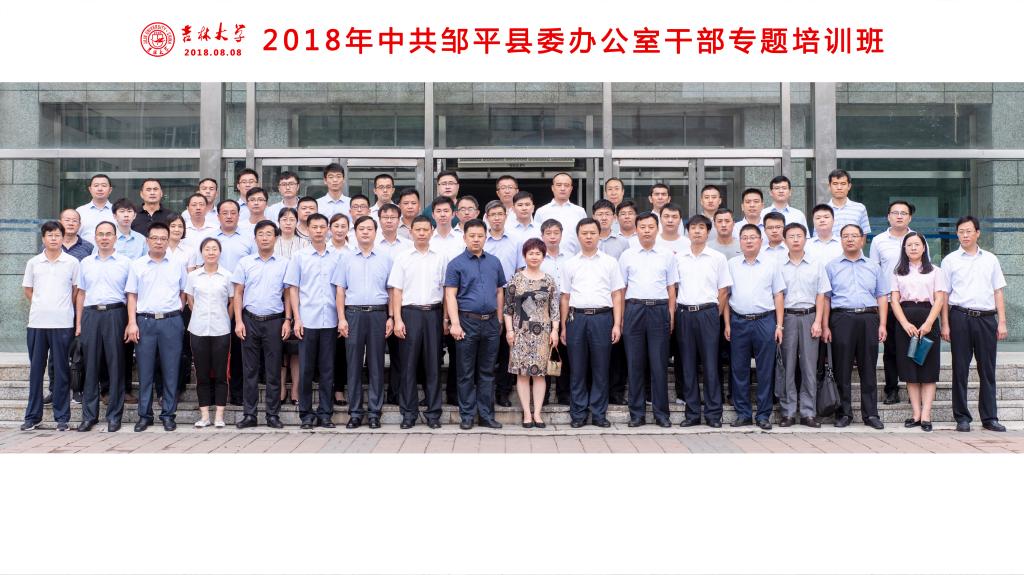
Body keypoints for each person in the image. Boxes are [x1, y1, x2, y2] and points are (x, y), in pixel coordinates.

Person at [941, 216, 1008, 432]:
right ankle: (962, 417)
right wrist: (945, 324)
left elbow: (998, 291)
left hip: (987, 319)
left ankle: (990, 417)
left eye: (969, 231)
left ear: (977, 233)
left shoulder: (990, 259)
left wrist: (1002, 322)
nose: (965, 235)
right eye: (961, 231)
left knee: (987, 369)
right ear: (957, 234)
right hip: (960, 317)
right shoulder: (950, 260)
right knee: (960, 369)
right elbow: (944, 295)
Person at [560, 218, 625, 428]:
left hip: (602, 318)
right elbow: (565, 297)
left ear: (599, 235)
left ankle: (598, 414)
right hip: (576, 319)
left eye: (592, 233)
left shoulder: (610, 262)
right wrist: (564, 326)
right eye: (584, 233)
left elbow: (617, 294)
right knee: (577, 369)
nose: (588, 237)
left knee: (601, 368)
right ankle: (578, 414)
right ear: (578, 236)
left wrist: (617, 324)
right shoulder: (570, 264)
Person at [823, 224, 887, 430]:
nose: (850, 239)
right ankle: (844, 413)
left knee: (868, 368)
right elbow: (826, 299)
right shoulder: (831, 267)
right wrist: (825, 325)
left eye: (854, 236)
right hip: (842, 319)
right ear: (841, 240)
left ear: (862, 239)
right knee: (842, 368)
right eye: (845, 236)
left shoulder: (873, 267)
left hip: (868, 318)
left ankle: (871, 414)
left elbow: (881, 296)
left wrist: (882, 324)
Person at [444, 219, 506, 430]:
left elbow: (499, 291)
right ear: (464, 237)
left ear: (485, 238)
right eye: (472, 236)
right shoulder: (456, 264)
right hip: (466, 322)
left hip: (491, 323)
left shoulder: (494, 262)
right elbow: (450, 296)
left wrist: (499, 318)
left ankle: (486, 415)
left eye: (480, 236)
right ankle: (467, 416)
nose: (476, 239)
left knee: (487, 371)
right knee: (466, 372)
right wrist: (454, 323)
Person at [125, 222, 187, 432]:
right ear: (147, 240)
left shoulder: (177, 264)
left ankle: (168, 414)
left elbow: (183, 292)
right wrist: (132, 322)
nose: (159, 242)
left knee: (171, 369)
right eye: (155, 238)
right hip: (145, 322)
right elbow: (132, 295)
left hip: (171, 321)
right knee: (145, 371)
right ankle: (145, 415)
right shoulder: (138, 265)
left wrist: (176, 310)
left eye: (163, 238)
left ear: (168, 241)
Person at [619, 212, 678, 428]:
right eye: (642, 227)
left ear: (657, 229)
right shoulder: (627, 255)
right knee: (635, 364)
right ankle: (637, 414)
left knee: (659, 364)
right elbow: (621, 289)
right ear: (636, 230)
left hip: (659, 310)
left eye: (650, 227)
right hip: (633, 309)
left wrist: (671, 315)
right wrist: (622, 317)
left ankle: (661, 414)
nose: (646, 231)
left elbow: (671, 288)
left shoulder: (667, 255)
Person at [335, 215, 393, 429]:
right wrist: (341, 318)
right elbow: (340, 290)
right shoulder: (346, 258)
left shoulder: (386, 258)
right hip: (353, 314)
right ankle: (356, 412)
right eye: (361, 229)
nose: (366, 232)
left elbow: (391, 290)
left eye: (370, 229)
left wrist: (391, 317)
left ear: (375, 232)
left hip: (378, 314)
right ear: (355, 232)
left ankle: (375, 412)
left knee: (377, 364)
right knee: (354, 365)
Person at [725, 224, 785, 430]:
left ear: (761, 241)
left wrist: (779, 325)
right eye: (744, 237)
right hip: (739, 321)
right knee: (739, 369)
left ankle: (763, 415)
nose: (749, 241)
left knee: (765, 369)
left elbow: (778, 295)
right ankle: (743, 413)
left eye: (753, 237)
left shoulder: (771, 264)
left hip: (764, 321)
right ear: (740, 241)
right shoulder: (732, 264)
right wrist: (727, 324)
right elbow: (726, 296)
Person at [21, 221, 79, 432]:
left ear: (63, 238)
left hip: (63, 324)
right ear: (43, 238)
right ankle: (32, 417)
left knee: (62, 371)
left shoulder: (72, 262)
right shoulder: (34, 262)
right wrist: (42, 304)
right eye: (50, 235)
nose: (54, 238)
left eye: (57, 235)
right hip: (37, 324)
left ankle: (62, 417)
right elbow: (28, 290)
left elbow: (76, 290)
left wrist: (60, 307)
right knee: (36, 371)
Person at [389, 215, 447, 429]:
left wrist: (446, 319)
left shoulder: (440, 257)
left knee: (433, 366)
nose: (422, 233)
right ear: (411, 232)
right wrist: (397, 319)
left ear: (432, 231)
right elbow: (396, 290)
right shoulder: (403, 258)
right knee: (408, 366)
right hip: (410, 314)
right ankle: (408, 414)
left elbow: (446, 290)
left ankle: (433, 414)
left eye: (425, 229)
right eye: (418, 230)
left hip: (433, 314)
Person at [675, 214, 732, 428]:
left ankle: (713, 414)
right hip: (684, 313)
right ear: (687, 232)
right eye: (693, 228)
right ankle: (692, 414)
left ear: (708, 232)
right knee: (687, 365)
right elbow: (673, 288)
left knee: (711, 364)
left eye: (701, 227)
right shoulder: (678, 258)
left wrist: (713, 314)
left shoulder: (717, 258)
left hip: (708, 312)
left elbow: (724, 290)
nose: (697, 231)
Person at [285, 213, 341, 430]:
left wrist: (341, 319)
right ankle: (306, 414)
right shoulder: (299, 256)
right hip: (307, 320)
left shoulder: (337, 256)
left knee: (327, 370)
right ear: (307, 230)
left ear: (328, 229)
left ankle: (325, 414)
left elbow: (341, 289)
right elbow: (293, 288)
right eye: (314, 227)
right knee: (306, 370)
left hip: (330, 321)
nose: (318, 231)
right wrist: (296, 319)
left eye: (322, 227)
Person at [233, 221, 290, 429]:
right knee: (250, 371)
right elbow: (238, 293)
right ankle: (250, 414)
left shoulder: (284, 263)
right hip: (249, 320)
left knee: (273, 371)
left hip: (274, 321)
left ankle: (272, 415)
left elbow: (288, 294)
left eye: (269, 234)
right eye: (261, 234)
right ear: (255, 238)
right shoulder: (245, 262)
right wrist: (238, 321)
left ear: (276, 237)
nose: (265, 238)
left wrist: (288, 320)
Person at [74, 221, 131, 432]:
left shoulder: (126, 263)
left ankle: (114, 416)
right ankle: (89, 416)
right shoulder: (86, 263)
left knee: (116, 366)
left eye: (108, 234)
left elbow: (130, 295)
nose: (104, 238)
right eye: (100, 234)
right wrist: (79, 323)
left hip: (116, 314)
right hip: (91, 315)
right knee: (90, 366)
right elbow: (81, 294)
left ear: (115, 238)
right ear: (95, 237)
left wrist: (131, 322)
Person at [890, 232, 947, 433]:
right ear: (904, 249)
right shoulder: (898, 271)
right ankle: (915, 414)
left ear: (924, 248)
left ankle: (926, 415)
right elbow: (894, 300)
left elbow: (939, 299)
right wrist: (904, 323)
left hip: (927, 318)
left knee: (928, 369)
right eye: (909, 245)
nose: (913, 248)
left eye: (917, 244)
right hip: (905, 321)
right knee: (909, 370)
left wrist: (929, 322)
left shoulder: (935, 271)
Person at [503, 238, 560, 428]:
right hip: (520, 332)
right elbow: (508, 309)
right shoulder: (516, 279)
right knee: (522, 374)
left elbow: (554, 309)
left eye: (538, 253)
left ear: (543, 256)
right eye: (531, 253)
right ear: (524, 255)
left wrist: (555, 331)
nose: (534, 257)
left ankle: (538, 414)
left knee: (540, 374)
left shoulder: (549, 280)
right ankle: (527, 414)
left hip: (543, 333)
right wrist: (509, 331)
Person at [779, 223, 830, 428]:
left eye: (799, 236)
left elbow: (821, 295)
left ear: (805, 239)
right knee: (788, 366)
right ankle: (788, 412)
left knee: (809, 367)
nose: (795, 239)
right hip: (788, 318)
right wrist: (779, 325)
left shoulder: (816, 264)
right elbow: (777, 296)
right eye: (791, 236)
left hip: (810, 317)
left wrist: (818, 322)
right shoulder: (778, 265)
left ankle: (809, 412)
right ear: (784, 240)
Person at [870, 200, 915, 405]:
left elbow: (925, 268)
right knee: (891, 349)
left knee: (912, 346)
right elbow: (874, 271)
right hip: (887, 302)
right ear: (888, 217)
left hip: (911, 302)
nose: (899, 216)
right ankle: (891, 389)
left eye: (903, 213)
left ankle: (914, 387)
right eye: (895, 213)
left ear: (909, 218)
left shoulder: (917, 238)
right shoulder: (879, 241)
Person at [186, 238, 233, 429]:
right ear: (202, 252)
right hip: (198, 329)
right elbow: (190, 299)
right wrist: (199, 314)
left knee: (221, 374)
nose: (211, 252)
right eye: (207, 249)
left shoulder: (227, 276)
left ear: (220, 252)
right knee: (202, 374)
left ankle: (219, 416)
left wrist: (225, 318)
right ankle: (204, 416)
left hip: (221, 330)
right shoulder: (193, 276)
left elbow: (232, 301)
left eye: (214, 249)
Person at [483, 200, 520, 408]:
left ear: (506, 216)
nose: (496, 218)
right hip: (485, 295)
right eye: (493, 214)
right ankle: (485, 391)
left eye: (500, 214)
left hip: (510, 294)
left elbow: (520, 270)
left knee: (507, 346)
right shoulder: (481, 240)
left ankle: (503, 391)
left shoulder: (515, 241)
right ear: (486, 217)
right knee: (488, 346)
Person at [273, 207, 307, 405]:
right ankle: (280, 387)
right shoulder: (271, 241)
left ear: (297, 222)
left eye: (291, 219)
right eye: (284, 219)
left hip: (299, 300)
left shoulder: (304, 243)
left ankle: (295, 388)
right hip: (274, 300)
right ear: (278, 222)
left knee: (295, 348)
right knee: (278, 347)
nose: (287, 222)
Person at [540, 218, 571, 406]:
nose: (552, 237)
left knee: (564, 350)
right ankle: (542, 395)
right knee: (544, 351)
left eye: (556, 233)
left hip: (566, 307)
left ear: (561, 235)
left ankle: (563, 393)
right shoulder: (537, 257)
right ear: (542, 235)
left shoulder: (570, 257)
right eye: (548, 233)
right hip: (542, 311)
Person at [534, 172, 587, 255]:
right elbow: (537, 237)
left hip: (574, 258)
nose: (562, 188)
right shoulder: (541, 211)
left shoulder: (580, 211)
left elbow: (585, 235)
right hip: (547, 258)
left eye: (566, 185)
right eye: (559, 185)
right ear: (552, 188)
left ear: (571, 188)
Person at [826, 169, 871, 237]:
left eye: (843, 184)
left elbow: (863, 236)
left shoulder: (860, 208)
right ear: (829, 186)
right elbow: (817, 236)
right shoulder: (823, 210)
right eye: (835, 184)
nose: (839, 187)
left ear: (849, 186)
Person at [76, 174, 116, 244]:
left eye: (104, 186)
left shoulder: (117, 211)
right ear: (90, 189)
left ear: (110, 190)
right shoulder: (80, 211)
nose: (100, 189)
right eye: (96, 185)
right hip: (85, 250)